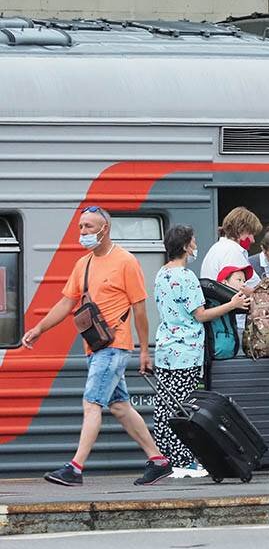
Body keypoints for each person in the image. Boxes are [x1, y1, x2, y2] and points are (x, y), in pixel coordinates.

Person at [21, 206, 173, 486]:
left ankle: (75, 468)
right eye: (81, 227)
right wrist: (39, 328)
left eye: (89, 227)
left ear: (105, 229)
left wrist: (143, 351)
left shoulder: (126, 261)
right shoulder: (84, 264)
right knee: (120, 408)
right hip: (95, 347)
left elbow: (140, 309)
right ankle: (158, 460)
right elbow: (67, 303)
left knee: (91, 403)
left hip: (115, 347)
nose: (83, 232)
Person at [152, 225, 250, 477]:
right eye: (193, 242)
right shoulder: (187, 278)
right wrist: (232, 304)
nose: (196, 246)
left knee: (165, 406)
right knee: (184, 407)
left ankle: (167, 457)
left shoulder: (161, 274)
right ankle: (185, 461)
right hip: (186, 350)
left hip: (165, 348)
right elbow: (201, 314)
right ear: (185, 246)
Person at [200, 206, 262, 286]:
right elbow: (242, 286)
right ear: (240, 230)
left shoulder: (218, 247)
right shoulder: (232, 251)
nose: (253, 240)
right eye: (250, 234)